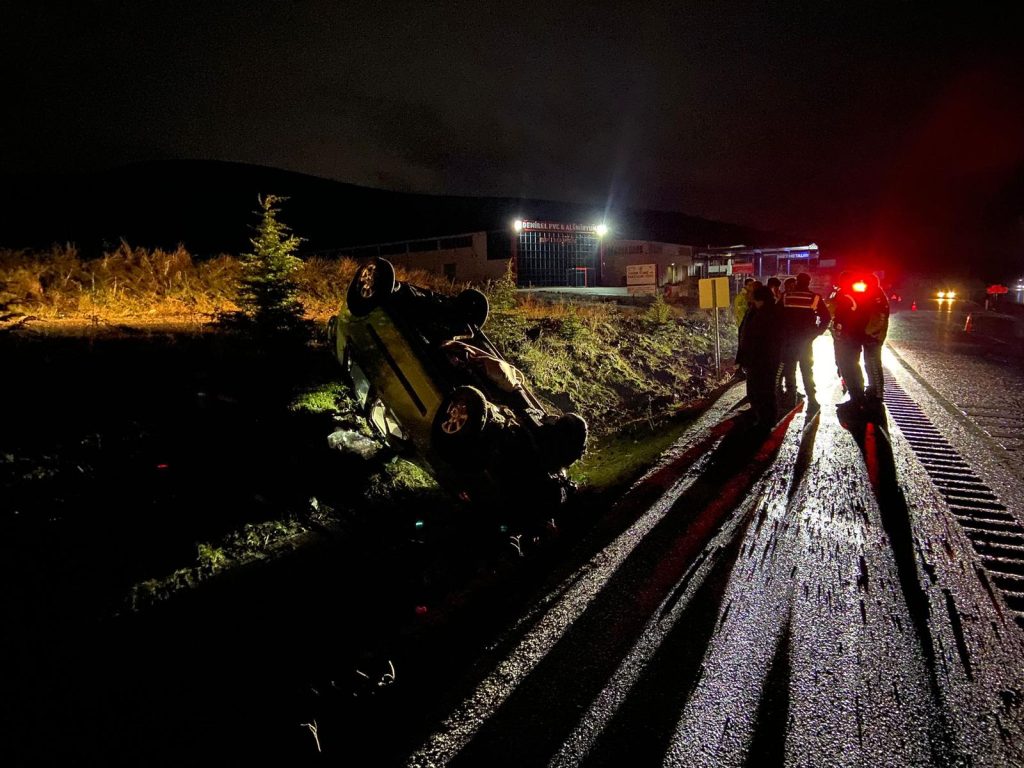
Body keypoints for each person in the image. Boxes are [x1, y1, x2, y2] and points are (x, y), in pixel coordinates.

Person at [831, 271, 890, 419]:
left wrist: (870, 333)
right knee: (864, 364)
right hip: (862, 335)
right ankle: (868, 392)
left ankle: (876, 393)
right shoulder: (867, 294)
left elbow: (878, 316)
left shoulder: (876, 295)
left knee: (871, 364)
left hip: (871, 336)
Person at [780, 272, 831, 412]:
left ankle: (791, 398)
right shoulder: (814, 298)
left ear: (796, 282)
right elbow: (826, 317)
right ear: (808, 283)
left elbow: (777, 317)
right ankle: (812, 398)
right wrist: (816, 332)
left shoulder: (786, 297)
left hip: (789, 340)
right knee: (807, 370)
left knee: (789, 369)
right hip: (806, 340)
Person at [737, 284, 784, 430]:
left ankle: (767, 420)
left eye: (751, 292)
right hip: (754, 359)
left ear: (760, 298)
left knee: (765, 390)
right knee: (755, 390)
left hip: (764, 360)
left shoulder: (770, 313)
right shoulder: (755, 311)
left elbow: (763, 339)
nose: (747, 294)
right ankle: (759, 415)